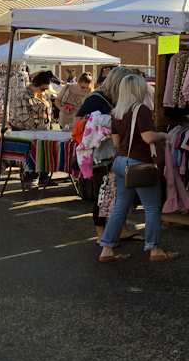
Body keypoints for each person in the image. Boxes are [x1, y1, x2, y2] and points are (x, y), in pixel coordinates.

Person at [97, 74, 177, 263]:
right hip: (139, 163)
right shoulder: (141, 110)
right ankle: (154, 249)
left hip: (120, 163)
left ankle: (106, 248)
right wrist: (163, 136)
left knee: (120, 207)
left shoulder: (116, 111)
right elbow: (148, 137)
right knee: (151, 207)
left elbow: (116, 143)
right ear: (139, 89)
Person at [76, 66, 131, 240]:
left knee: (115, 194)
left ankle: (120, 228)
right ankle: (101, 234)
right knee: (104, 195)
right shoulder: (96, 99)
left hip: (112, 154)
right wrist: (105, 125)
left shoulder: (113, 99)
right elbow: (79, 123)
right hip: (100, 156)